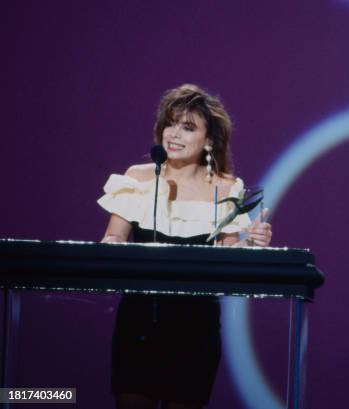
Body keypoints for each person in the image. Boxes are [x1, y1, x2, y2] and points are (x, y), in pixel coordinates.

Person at [98, 84, 272, 409]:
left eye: (188, 127)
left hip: (196, 326)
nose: (174, 134)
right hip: (139, 321)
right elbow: (114, 237)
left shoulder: (225, 189)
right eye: (170, 123)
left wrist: (253, 242)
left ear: (208, 140)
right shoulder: (137, 178)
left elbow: (229, 255)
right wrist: (111, 246)